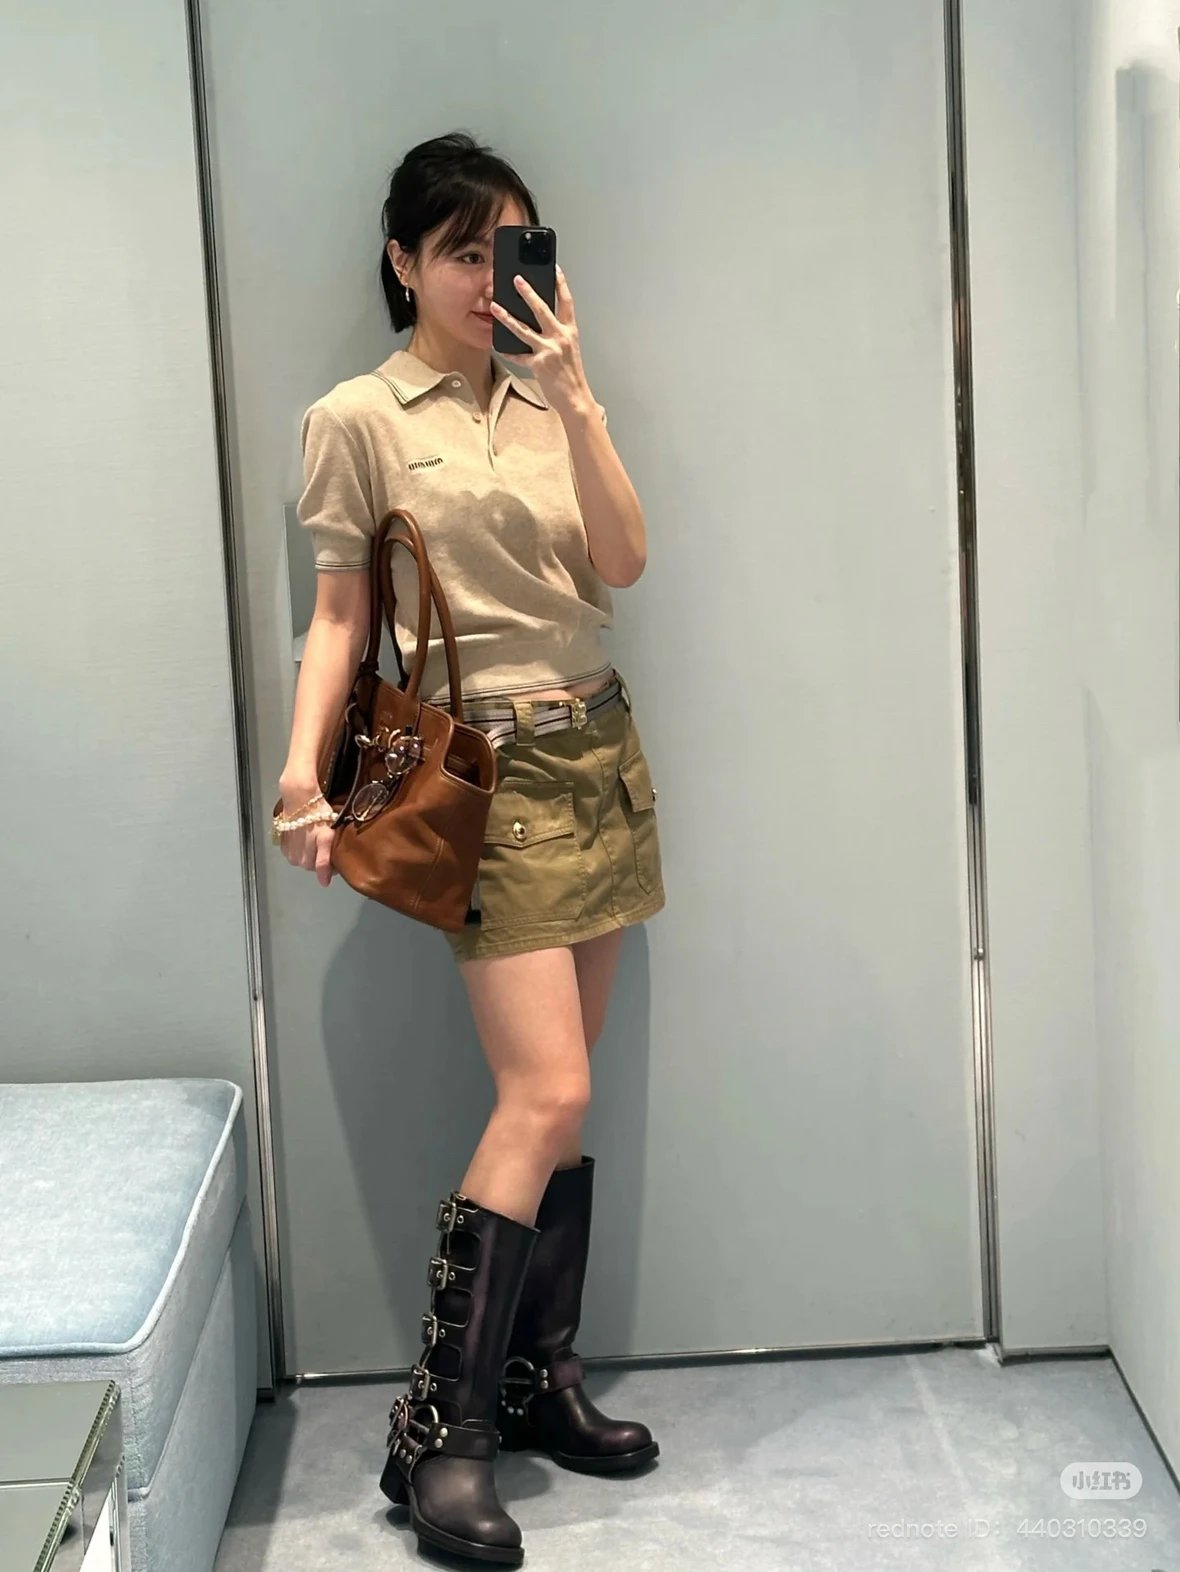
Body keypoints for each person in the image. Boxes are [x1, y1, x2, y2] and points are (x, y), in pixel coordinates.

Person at [272, 130, 666, 1567]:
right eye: (457, 252)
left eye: (508, 249)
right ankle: (437, 1436)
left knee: (568, 1098)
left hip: (598, 753)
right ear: (402, 262)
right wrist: (301, 779)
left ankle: (539, 1377)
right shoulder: (357, 419)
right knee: (544, 1091)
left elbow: (621, 563)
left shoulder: (550, 397)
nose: (486, 278)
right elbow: (340, 618)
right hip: (485, 775)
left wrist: (579, 394)